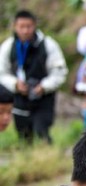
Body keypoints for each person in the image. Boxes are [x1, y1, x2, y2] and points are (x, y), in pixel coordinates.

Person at [0, 10, 68, 144]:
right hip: (19, 98)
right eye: (21, 26)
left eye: (29, 26)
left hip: (43, 98)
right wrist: (15, 84)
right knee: (23, 136)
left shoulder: (48, 45)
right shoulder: (8, 46)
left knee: (42, 132)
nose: (25, 31)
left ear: (35, 25)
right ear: (15, 26)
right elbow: (2, 72)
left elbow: (59, 71)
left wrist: (44, 86)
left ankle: (46, 154)